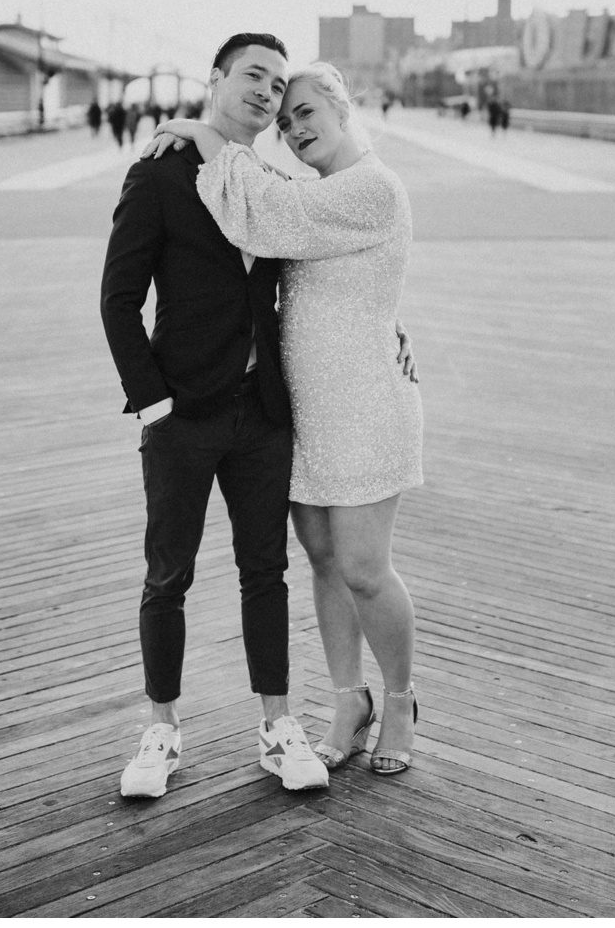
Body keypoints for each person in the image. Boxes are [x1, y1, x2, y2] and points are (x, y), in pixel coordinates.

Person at [145, 61, 424, 777]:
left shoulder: (372, 187)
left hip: (363, 407)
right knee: (323, 561)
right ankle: (348, 701)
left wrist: (205, 135)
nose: (296, 129)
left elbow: (269, 215)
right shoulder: (313, 190)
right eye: (286, 120)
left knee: (364, 568)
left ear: (341, 109)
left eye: (306, 112)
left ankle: (400, 701)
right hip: (302, 409)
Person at [100, 33, 331, 799]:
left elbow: (314, 275)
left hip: (263, 412)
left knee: (267, 571)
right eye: (254, 75)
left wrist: (385, 328)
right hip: (184, 411)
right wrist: (154, 402)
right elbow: (118, 298)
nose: (267, 92)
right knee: (168, 574)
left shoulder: (270, 180)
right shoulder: (159, 172)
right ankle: (161, 729)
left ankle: (278, 725)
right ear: (217, 79)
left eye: (278, 83)